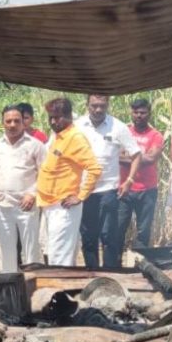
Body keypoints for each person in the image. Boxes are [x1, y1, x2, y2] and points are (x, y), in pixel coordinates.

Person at [75, 93, 140, 268]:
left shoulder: (117, 127)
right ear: (87, 104)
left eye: (102, 106)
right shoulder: (77, 126)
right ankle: (92, 274)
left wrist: (129, 180)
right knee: (88, 236)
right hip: (84, 191)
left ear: (108, 105)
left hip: (109, 191)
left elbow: (136, 154)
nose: (98, 109)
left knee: (108, 236)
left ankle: (110, 275)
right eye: (94, 105)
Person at [37, 98, 101, 267]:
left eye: (57, 117)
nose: (52, 121)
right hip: (50, 204)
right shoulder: (58, 137)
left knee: (59, 258)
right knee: (59, 255)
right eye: (50, 117)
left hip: (64, 206)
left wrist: (81, 196)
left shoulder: (75, 137)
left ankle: (58, 291)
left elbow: (94, 169)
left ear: (68, 116)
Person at [0, 105, 48, 273]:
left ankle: (32, 289)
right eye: (8, 121)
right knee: (6, 251)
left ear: (23, 123)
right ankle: (8, 290)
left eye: (16, 121)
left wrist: (32, 193)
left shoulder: (36, 145)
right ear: (3, 122)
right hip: (2, 206)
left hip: (26, 205)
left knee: (30, 251)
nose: (12, 124)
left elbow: (44, 174)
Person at [116, 98, 164, 252]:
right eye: (135, 112)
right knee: (118, 228)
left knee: (144, 232)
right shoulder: (125, 132)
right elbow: (117, 156)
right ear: (131, 113)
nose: (138, 116)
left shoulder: (156, 135)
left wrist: (128, 156)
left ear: (149, 114)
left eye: (142, 113)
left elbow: (151, 159)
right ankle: (115, 266)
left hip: (147, 190)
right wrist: (139, 157)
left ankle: (140, 266)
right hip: (124, 188)